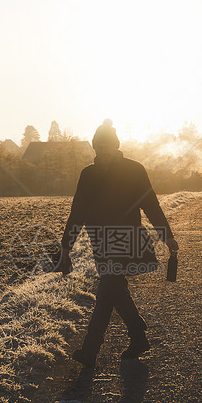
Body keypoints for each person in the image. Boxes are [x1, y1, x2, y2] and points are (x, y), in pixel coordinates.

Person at [56, 119, 178, 367]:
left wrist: (167, 236)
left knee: (107, 289)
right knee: (115, 289)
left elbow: (151, 204)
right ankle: (137, 334)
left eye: (108, 145)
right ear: (94, 148)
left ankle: (91, 349)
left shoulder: (134, 170)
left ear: (117, 145)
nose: (104, 150)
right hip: (100, 240)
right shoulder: (88, 175)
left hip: (127, 239)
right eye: (99, 146)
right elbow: (77, 212)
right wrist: (65, 247)